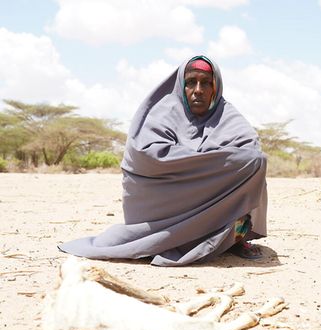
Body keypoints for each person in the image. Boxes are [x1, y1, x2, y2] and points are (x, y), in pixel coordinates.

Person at [59, 55, 267, 266]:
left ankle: (237, 239)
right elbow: (145, 155)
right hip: (166, 201)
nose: (198, 89)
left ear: (215, 88)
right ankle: (172, 236)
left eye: (206, 83)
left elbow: (250, 148)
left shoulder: (225, 114)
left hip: (210, 197)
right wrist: (208, 162)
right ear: (181, 85)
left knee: (255, 164)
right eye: (190, 82)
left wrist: (207, 164)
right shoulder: (164, 111)